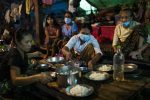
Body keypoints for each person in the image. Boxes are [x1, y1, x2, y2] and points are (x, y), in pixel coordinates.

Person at [0, 29, 52, 99]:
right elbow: (15, 80)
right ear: (18, 42)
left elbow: (24, 57)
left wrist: (36, 58)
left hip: (11, 83)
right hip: (5, 88)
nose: (30, 45)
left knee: (32, 72)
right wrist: (38, 77)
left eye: (31, 41)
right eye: (27, 42)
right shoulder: (14, 55)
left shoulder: (20, 50)